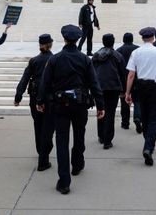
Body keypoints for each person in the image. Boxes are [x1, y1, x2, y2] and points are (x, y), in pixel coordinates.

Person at [36, 24, 105, 195]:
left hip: (60, 105)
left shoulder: (55, 59)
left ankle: (64, 180)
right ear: (78, 39)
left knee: (62, 141)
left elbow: (45, 82)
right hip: (80, 104)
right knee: (79, 135)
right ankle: (78, 164)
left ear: (64, 38)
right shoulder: (84, 59)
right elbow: (94, 83)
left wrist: (40, 100)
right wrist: (101, 105)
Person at [124, 27, 156, 166]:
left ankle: (148, 143)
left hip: (140, 87)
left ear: (142, 38)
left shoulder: (136, 52)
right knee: (154, 119)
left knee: (144, 117)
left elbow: (131, 74)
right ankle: (148, 147)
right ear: (153, 37)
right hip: (155, 88)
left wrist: (127, 92)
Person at [14, 33, 55, 171]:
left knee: (38, 125)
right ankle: (44, 156)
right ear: (50, 44)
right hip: (50, 98)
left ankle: (41, 152)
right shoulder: (54, 59)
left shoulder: (34, 61)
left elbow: (25, 78)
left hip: (35, 97)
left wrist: (18, 95)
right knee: (48, 127)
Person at [92, 33, 126, 149]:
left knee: (101, 110)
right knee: (110, 113)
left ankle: (101, 136)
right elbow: (123, 74)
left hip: (99, 88)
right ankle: (107, 140)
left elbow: (91, 73)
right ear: (113, 42)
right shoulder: (117, 56)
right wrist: (124, 90)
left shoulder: (96, 56)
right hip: (113, 88)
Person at [116, 33, 139, 131]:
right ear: (132, 39)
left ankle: (125, 123)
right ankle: (138, 117)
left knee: (124, 103)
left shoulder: (118, 51)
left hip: (123, 81)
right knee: (138, 101)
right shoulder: (138, 50)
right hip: (137, 80)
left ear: (123, 39)